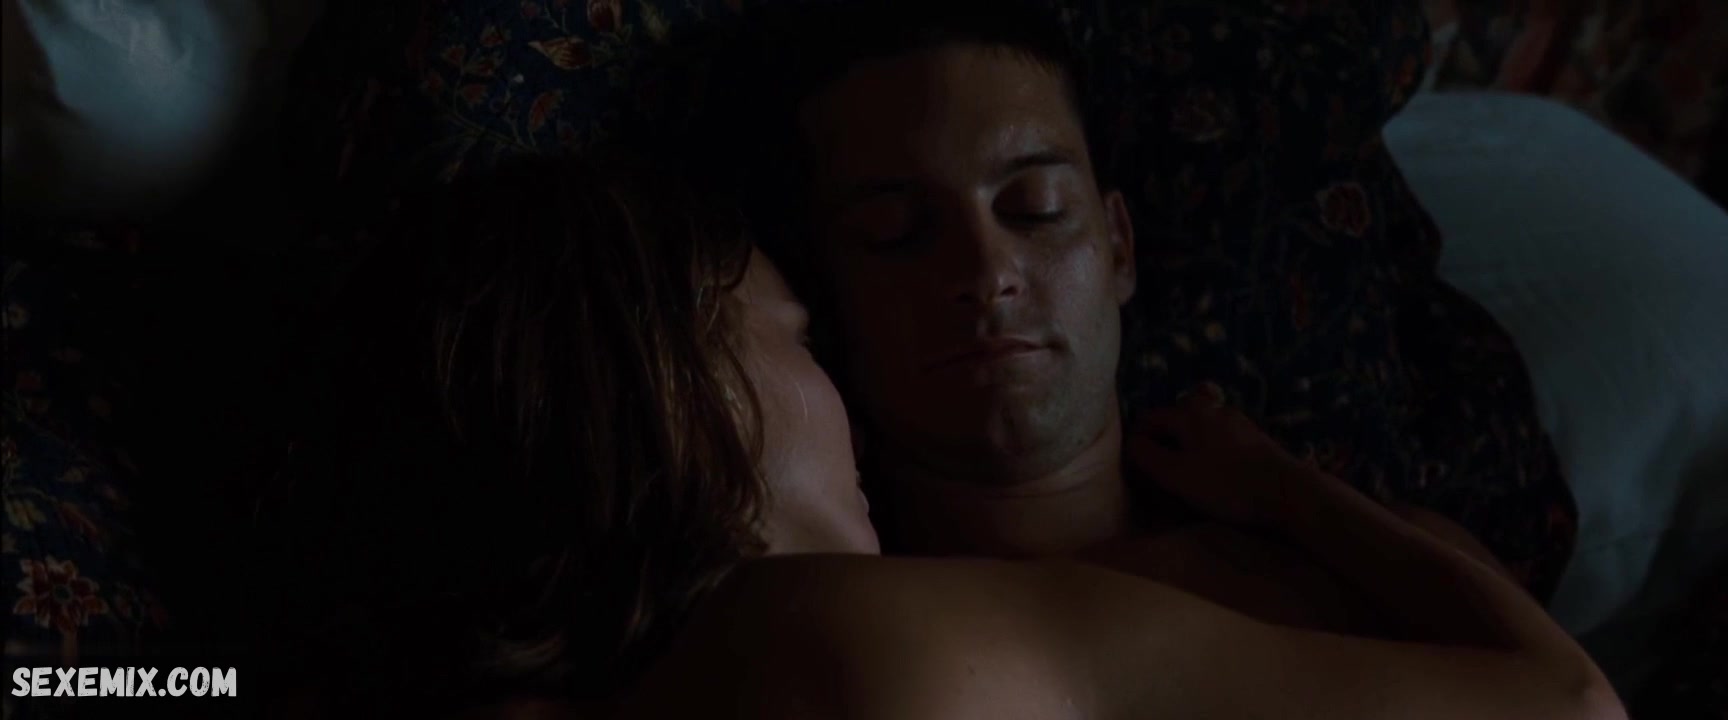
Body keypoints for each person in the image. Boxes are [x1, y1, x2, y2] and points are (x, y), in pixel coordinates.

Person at [255, 150, 1622, 719]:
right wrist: (1288, 489)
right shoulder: (852, 636)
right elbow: (1567, 709)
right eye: (794, 333)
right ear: (676, 378)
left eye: (1036, 208)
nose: (837, 391)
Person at [712, 0, 1546, 629]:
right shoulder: (818, 633)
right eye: (894, 232)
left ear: (1118, 246)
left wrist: (1299, 501)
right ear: (821, 294)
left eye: (1035, 208)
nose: (987, 272)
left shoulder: (1374, 566)